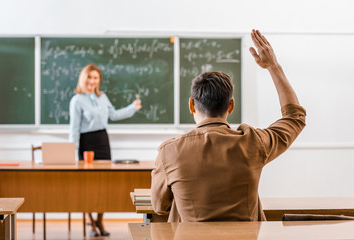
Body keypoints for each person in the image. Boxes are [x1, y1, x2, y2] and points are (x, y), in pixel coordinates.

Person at [151, 29, 306, 222]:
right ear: (231, 105)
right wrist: (273, 66)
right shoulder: (253, 142)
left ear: (191, 105)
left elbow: (159, 207)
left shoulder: (170, 151)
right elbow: (295, 117)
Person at [69, 64, 142, 236]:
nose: (92, 81)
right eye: (89, 77)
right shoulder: (77, 100)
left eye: (95, 78)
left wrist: (133, 107)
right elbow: (73, 129)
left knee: (104, 182)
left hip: (102, 141)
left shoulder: (103, 97)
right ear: (83, 78)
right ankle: (90, 221)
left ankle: (100, 220)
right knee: (87, 184)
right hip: (87, 143)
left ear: (98, 80)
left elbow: (114, 115)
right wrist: (74, 152)